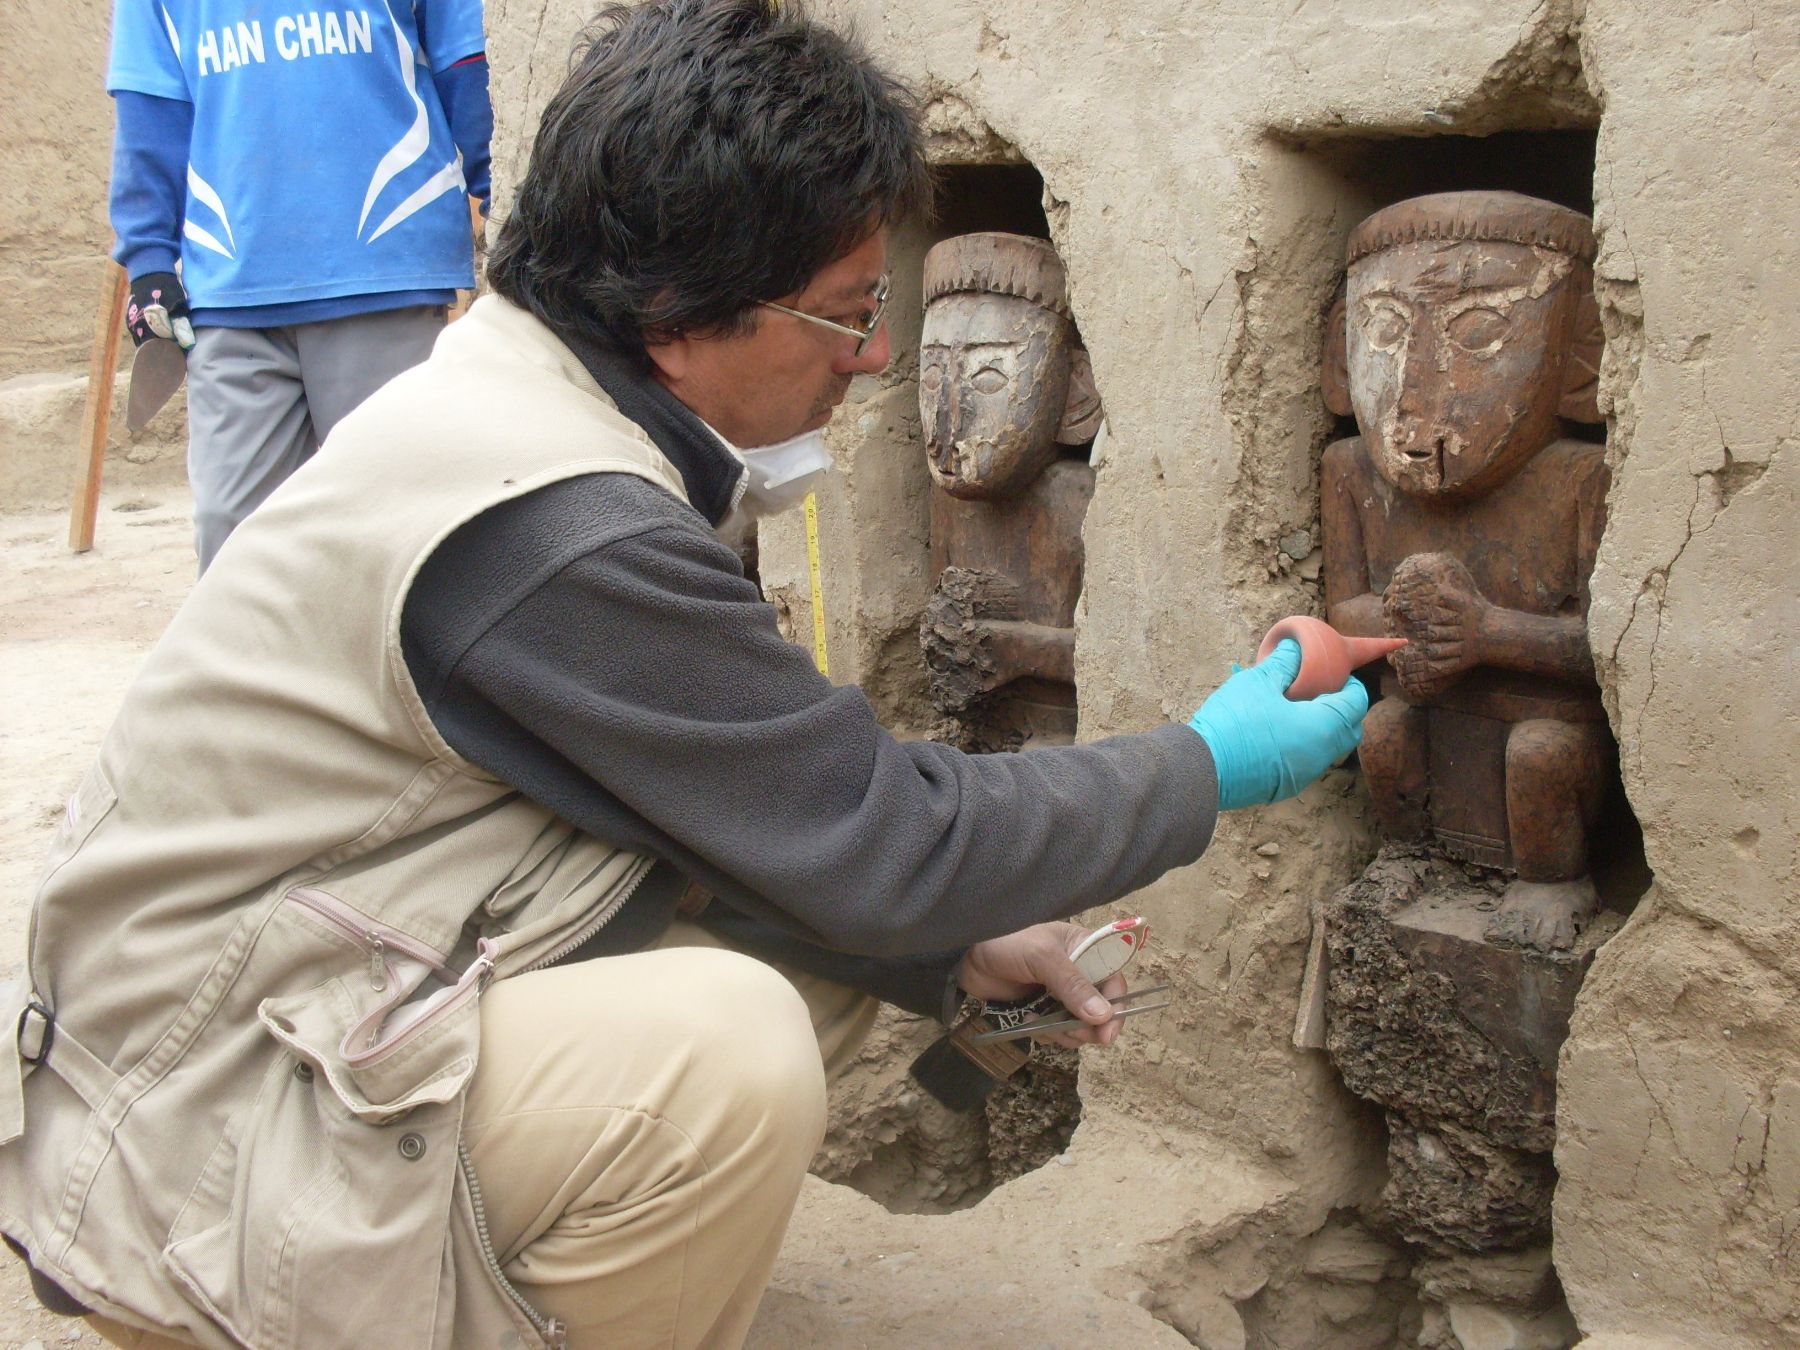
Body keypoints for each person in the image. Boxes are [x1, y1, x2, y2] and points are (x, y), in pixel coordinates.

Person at [2, 3, 1368, 1347]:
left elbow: (752, 820)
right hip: (188, 1149)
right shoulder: (548, 519)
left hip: (261, 1039)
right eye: (844, 316)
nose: (879, 356)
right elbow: (882, 836)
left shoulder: (533, 399)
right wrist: (1213, 758)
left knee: (808, 949)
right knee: (724, 1050)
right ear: (676, 310)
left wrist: (953, 944)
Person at [106, 0, 494, 570]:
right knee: (233, 539)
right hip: (231, 283)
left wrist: (502, 191)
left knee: (397, 533)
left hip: (385, 267)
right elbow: (151, 104)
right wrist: (148, 258)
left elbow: (465, 61)